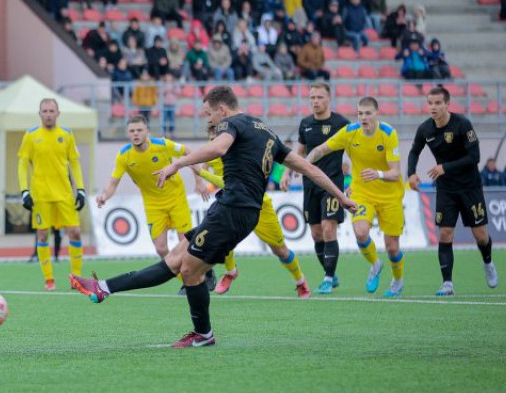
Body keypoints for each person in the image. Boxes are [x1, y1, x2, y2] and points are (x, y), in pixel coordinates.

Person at [70, 86, 356, 348]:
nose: (207, 119)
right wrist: (341, 196)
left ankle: (203, 334)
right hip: (233, 209)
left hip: (233, 210)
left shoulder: (232, 123)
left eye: (208, 113)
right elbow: (309, 168)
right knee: (175, 260)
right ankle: (104, 287)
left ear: (222, 110)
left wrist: (178, 163)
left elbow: (218, 148)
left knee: (188, 271)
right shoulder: (266, 132)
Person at [306, 97, 406, 297]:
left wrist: (378, 174)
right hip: (361, 193)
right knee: (361, 233)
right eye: (360, 113)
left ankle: (397, 280)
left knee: (392, 247)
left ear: (377, 114)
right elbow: (322, 149)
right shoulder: (350, 132)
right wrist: (306, 162)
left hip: (390, 195)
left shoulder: (388, 134)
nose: (363, 117)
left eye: (368, 113)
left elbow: (395, 172)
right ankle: (376, 264)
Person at [200, 125, 312, 299]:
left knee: (280, 250)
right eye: (213, 136)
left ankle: (299, 280)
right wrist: (201, 183)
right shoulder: (210, 150)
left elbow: (229, 182)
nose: (216, 139)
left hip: (255, 202)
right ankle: (231, 272)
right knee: (221, 239)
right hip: (230, 203)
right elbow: (204, 169)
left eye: (219, 135)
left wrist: (201, 173)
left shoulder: (240, 149)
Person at [407, 87, 499, 296]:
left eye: (438, 103)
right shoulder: (425, 129)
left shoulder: (462, 124)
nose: (434, 107)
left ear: (447, 104)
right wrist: (411, 173)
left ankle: (488, 262)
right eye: (430, 103)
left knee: (481, 235)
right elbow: (414, 151)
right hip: (446, 189)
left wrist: (445, 167)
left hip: (470, 187)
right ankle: (447, 283)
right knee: (446, 233)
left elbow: (474, 157)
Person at [97, 115, 209, 261]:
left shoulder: (162, 145)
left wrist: (198, 180)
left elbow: (188, 152)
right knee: (161, 249)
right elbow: (113, 183)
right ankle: (183, 276)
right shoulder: (124, 156)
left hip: (176, 197)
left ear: (147, 131)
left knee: (185, 244)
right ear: (127, 133)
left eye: (139, 130)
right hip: (152, 203)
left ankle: (195, 277)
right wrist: (104, 196)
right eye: (132, 131)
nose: (135, 134)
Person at [280, 83, 350, 294]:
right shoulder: (306, 124)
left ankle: (328, 277)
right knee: (316, 234)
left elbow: (355, 151)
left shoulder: (341, 123)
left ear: (329, 99)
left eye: (319, 97)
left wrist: (353, 180)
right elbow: (297, 153)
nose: (315, 102)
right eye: (312, 98)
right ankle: (331, 273)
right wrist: (285, 173)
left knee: (329, 228)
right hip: (310, 185)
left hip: (333, 185)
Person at [18, 98, 87, 292]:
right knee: (42, 234)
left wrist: (80, 189)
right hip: (41, 195)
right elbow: (23, 164)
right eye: (45, 111)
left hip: (64, 194)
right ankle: (49, 280)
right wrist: (24, 191)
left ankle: (77, 278)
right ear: (39, 114)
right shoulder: (31, 136)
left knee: (74, 231)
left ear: (58, 114)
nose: (48, 114)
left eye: (51, 111)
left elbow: (74, 162)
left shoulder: (66, 134)